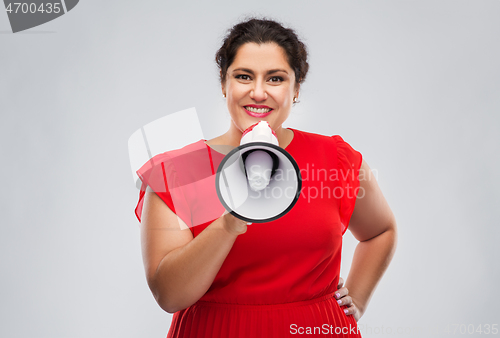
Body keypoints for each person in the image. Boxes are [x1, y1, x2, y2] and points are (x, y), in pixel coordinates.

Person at [134, 17, 397, 338]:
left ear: (296, 88)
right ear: (223, 83)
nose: (258, 92)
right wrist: (231, 221)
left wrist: (357, 298)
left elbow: (381, 231)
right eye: (244, 76)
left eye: (275, 78)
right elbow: (169, 295)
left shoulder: (334, 159)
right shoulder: (178, 171)